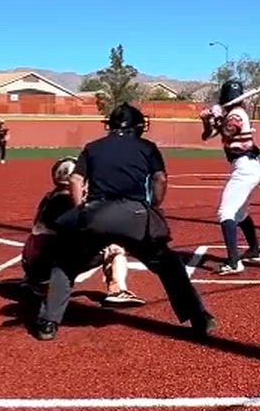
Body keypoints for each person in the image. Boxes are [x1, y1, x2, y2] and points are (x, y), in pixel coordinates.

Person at [33, 103, 214, 341]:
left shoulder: (93, 147)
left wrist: (81, 210)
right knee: (169, 266)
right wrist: (153, 205)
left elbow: (76, 180)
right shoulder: (147, 147)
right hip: (135, 216)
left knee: (65, 265)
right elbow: (160, 178)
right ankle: (198, 318)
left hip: (97, 215)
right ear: (137, 126)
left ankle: (48, 322)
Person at [21, 156, 144, 307]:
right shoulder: (70, 202)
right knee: (114, 247)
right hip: (50, 266)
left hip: (31, 264)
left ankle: (34, 281)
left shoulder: (49, 197)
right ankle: (117, 291)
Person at [200, 80, 260, 275]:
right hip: (247, 167)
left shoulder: (236, 114)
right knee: (240, 213)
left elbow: (229, 130)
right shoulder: (231, 113)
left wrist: (217, 116)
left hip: (245, 167)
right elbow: (207, 135)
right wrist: (207, 119)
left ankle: (233, 262)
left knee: (226, 213)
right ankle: (255, 250)